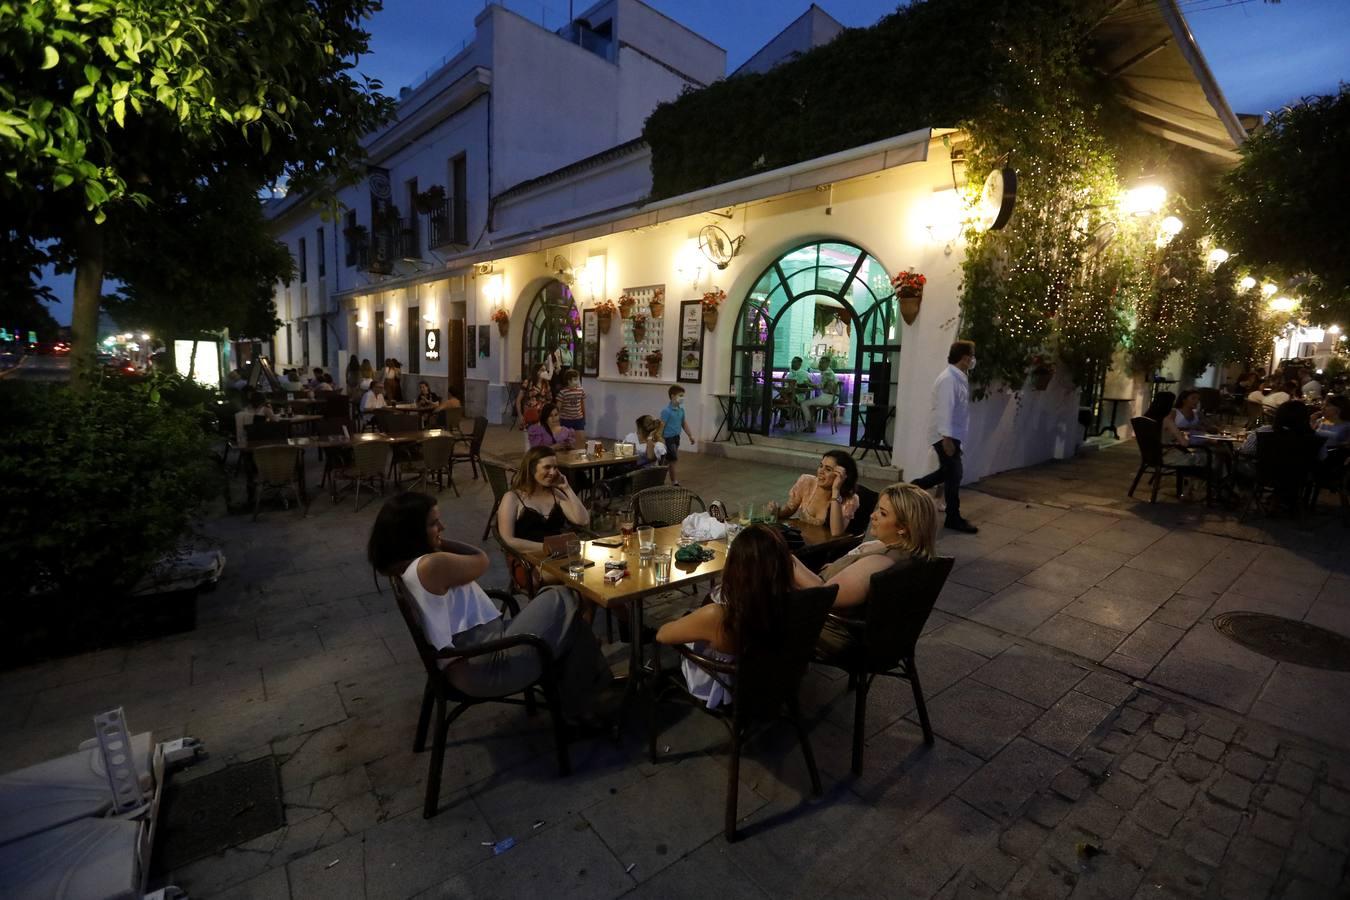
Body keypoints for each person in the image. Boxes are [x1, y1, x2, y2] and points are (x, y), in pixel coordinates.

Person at [367, 492, 610, 724]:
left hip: (476, 653)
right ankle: (586, 698)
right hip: (488, 666)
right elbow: (481, 560)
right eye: (434, 524)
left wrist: (435, 539)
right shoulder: (430, 564)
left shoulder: (407, 567)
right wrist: (441, 543)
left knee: (572, 626)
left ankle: (582, 700)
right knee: (565, 593)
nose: (442, 528)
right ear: (412, 534)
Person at [654, 524, 797, 709]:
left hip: (725, 691)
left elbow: (663, 635)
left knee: (679, 626)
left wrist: (687, 621)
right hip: (769, 680)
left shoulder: (721, 615)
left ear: (736, 568)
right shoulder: (788, 600)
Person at [800, 483, 940, 660]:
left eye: (882, 513)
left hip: (829, 627)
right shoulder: (907, 554)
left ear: (903, 527)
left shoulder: (881, 560)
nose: (872, 516)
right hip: (852, 626)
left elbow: (827, 596)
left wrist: (789, 565)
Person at [911, 340, 978, 533]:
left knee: (950, 474)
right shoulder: (949, 379)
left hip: (952, 434)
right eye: (971, 356)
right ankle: (915, 489)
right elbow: (945, 409)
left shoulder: (958, 377)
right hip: (945, 435)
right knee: (953, 473)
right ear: (964, 358)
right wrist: (947, 438)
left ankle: (915, 489)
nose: (973, 360)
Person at [496, 446, 590, 558]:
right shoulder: (512, 498)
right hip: (528, 559)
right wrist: (547, 548)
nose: (553, 472)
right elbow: (508, 540)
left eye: (555, 468)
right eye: (547, 467)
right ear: (531, 468)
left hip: (559, 555)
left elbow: (583, 520)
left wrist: (567, 488)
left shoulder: (555, 494)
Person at [776, 450, 861, 537]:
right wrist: (776, 511)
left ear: (842, 476)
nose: (821, 471)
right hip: (800, 540)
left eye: (828, 469)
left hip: (824, 547)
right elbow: (789, 509)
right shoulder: (806, 481)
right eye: (821, 466)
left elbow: (836, 532)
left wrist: (836, 490)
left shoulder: (850, 500)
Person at [659, 385, 695, 485]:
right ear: (672, 396)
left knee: (667, 461)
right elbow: (661, 427)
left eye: (683, 396)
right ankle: (674, 482)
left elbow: (683, 423)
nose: (682, 398)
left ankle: (658, 478)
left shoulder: (681, 410)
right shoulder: (666, 411)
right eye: (680, 395)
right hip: (668, 439)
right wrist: (660, 440)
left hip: (676, 438)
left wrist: (690, 435)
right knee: (673, 460)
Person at [799, 355, 840, 433]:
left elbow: (820, 386)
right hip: (832, 398)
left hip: (828, 398)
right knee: (811, 406)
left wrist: (808, 384)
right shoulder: (828, 372)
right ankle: (812, 426)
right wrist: (812, 384)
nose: (820, 364)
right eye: (820, 362)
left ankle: (810, 426)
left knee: (804, 404)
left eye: (822, 363)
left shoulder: (827, 373)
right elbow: (822, 385)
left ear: (828, 364)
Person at [516, 363, 552, 430]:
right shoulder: (528, 382)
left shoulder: (546, 384)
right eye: (542, 370)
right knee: (530, 437)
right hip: (530, 414)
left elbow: (549, 399)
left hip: (542, 416)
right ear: (536, 371)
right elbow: (518, 400)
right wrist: (520, 415)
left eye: (545, 370)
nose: (544, 372)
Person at [556, 370, 587, 434]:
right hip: (566, 420)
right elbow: (558, 407)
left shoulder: (581, 390)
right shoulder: (563, 392)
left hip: (579, 419)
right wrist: (557, 420)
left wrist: (584, 416)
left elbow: (582, 404)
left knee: (579, 436)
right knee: (566, 438)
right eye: (575, 379)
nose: (577, 381)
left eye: (578, 379)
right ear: (569, 381)